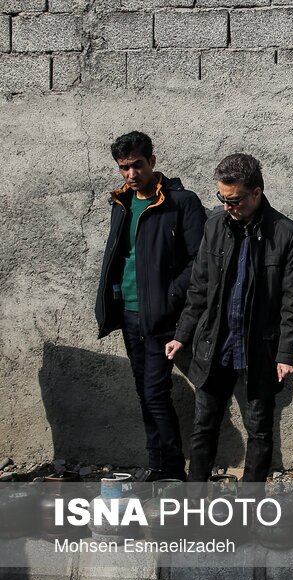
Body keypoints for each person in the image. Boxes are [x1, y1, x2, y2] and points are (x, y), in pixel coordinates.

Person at [165, 153, 293, 484]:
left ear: (256, 192)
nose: (228, 206)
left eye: (235, 200)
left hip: (258, 351)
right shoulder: (214, 226)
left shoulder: (286, 234)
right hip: (214, 345)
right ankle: (194, 501)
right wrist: (182, 334)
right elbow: (199, 288)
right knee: (204, 426)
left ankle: (249, 507)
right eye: (222, 199)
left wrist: (287, 353)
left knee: (259, 431)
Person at [95, 131, 206, 482]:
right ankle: (157, 465)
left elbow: (199, 261)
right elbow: (121, 255)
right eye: (124, 168)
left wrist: (171, 297)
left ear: (152, 162)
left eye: (137, 165)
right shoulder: (121, 201)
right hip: (128, 312)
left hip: (161, 315)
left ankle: (171, 469)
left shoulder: (180, 202)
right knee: (144, 391)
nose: (131, 174)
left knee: (156, 391)